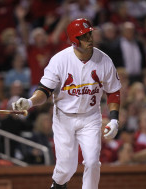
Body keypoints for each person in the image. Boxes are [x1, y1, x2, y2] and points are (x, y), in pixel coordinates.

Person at [12, 18, 121, 189]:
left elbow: (113, 91)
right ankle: (58, 185)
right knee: (66, 169)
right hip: (64, 118)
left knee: (92, 162)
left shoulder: (104, 60)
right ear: (74, 40)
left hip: (90, 117)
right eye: (84, 36)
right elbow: (45, 91)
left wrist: (114, 119)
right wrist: (30, 101)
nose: (89, 39)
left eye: (90, 34)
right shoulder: (59, 60)